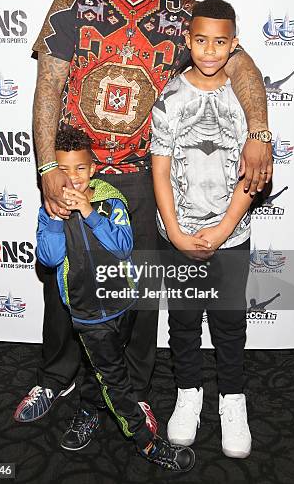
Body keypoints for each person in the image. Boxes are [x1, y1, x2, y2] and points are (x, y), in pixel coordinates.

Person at [15, 0, 272, 445]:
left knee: (137, 292)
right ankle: (56, 379)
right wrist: (46, 168)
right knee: (67, 284)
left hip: (141, 173)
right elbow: (49, 85)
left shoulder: (185, 13)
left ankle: (125, 391)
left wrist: (259, 130)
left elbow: (242, 65)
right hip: (76, 168)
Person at [30, 125, 195, 473]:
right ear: (52, 173)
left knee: (102, 368)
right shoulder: (50, 210)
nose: (72, 179)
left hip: (124, 303)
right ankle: (147, 442)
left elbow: (122, 247)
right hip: (87, 313)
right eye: (63, 170)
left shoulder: (109, 199)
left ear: (92, 169)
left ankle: (88, 409)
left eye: (79, 169)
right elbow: (47, 258)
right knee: (116, 382)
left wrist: (90, 212)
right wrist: (57, 219)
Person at [151, 0, 255, 458]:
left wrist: (225, 228)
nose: (209, 50)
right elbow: (159, 169)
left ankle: (233, 400)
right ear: (187, 41)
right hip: (179, 234)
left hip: (231, 236)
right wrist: (174, 231)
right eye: (200, 40)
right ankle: (188, 393)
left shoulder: (248, 97)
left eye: (220, 41)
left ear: (234, 44)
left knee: (230, 325)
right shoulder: (170, 97)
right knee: (185, 323)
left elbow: (255, 173)